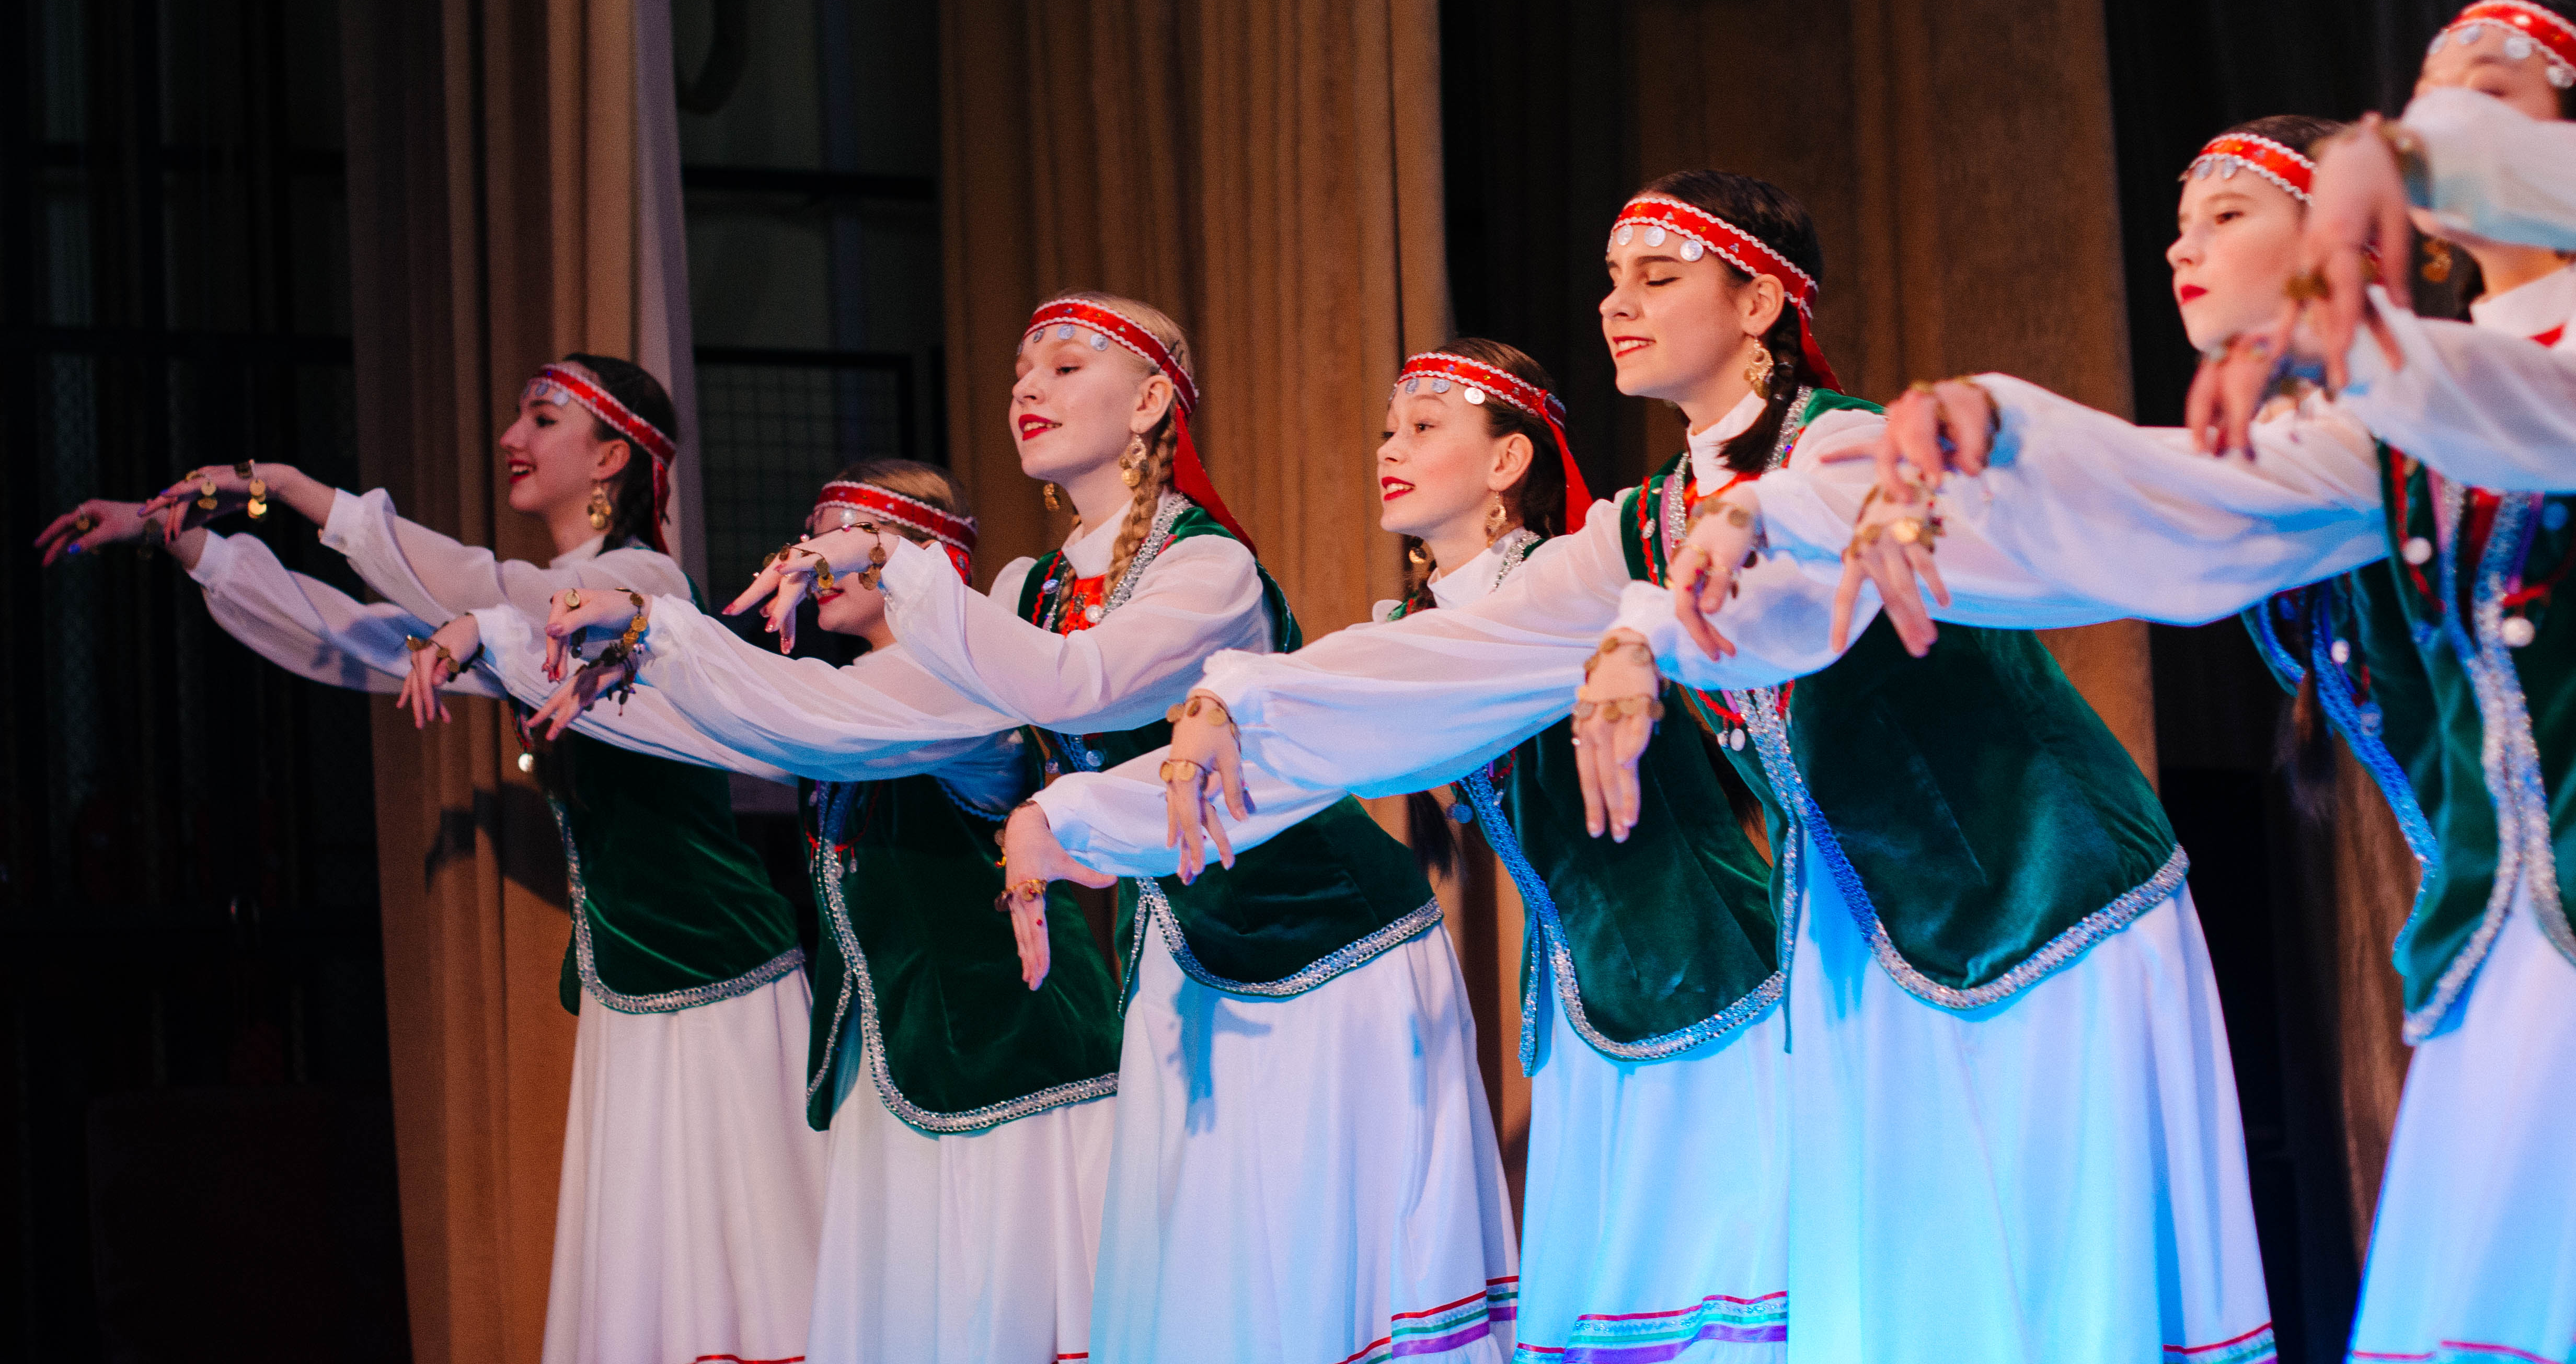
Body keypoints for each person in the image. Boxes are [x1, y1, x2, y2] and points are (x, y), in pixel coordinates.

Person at [1153, 175, 2271, 1364]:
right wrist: (1242, 696)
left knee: (2066, 1275)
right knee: (1911, 1292)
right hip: (1867, 936)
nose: (1615, 304)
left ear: (1758, 304)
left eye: (1657, 277)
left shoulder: (1843, 443)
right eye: (1609, 281)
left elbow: (1801, 554)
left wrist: (1653, 628)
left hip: (2048, 898)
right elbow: (1465, 646)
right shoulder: (1647, 522)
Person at [1781, 0, 2576, 1364]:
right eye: (2427, 97)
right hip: (2500, 938)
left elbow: (2520, 413)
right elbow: (2179, 511)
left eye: (2493, 96)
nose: (2443, 119)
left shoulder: (2448, 386)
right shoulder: (2378, 425)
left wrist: (2378, 252)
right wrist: (1980, 435)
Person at [730, 292, 1517, 1364]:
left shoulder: (1207, 569)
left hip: (1327, 950)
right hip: (1182, 961)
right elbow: (889, 705)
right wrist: (651, 647)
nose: (1028, 387)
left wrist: (886, 556)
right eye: (1022, 369)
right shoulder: (1034, 588)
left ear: (1150, 402)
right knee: (1195, 1286)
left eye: (1064, 365)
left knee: (1318, 1276)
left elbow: (1079, 684)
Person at [38, 355, 823, 1364]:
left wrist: (291, 487)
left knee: (747, 1280)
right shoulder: (538, 611)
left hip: (718, 985)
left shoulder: (642, 583)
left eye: (543, 419)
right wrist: (186, 542)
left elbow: (496, 596)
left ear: (611, 458)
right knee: (658, 1289)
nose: (512, 438)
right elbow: (365, 639)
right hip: (637, 987)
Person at [1019, 336, 1791, 1360]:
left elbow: (1376, 693)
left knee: (1716, 1286)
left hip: (1708, 982)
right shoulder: (1431, 620)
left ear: (1507, 461)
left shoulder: (1556, 587)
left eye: (1424, 428)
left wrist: (1222, 702)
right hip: (1592, 1003)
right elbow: (1312, 755)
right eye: (1390, 429)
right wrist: (1085, 808)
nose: (1390, 448)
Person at [450, 457, 1122, 1364]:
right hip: (907, 1063)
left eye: (838, 537)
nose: (809, 556)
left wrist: (653, 625)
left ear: (916, 555)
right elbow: (731, 727)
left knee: (997, 1320)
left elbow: (796, 713)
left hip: (1008, 1067)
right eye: (808, 536)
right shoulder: (862, 693)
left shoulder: (960, 682)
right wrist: (571, 659)